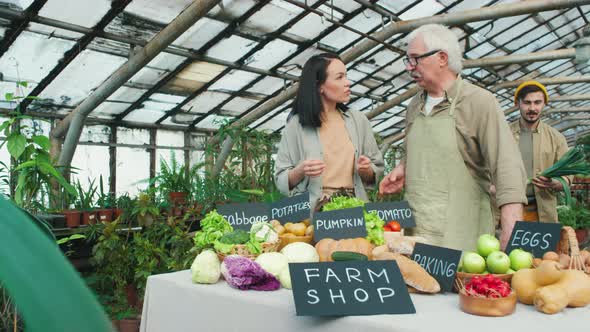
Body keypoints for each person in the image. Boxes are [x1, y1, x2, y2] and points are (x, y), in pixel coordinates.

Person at [379, 24, 527, 251]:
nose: (410, 68)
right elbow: (418, 149)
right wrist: (403, 167)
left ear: (442, 58)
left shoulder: (479, 102)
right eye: (407, 60)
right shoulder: (414, 105)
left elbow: (506, 167)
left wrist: (510, 231)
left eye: (415, 59)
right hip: (415, 232)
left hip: (460, 235)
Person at [275, 53, 384, 211]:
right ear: (319, 86)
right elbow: (281, 180)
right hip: (313, 213)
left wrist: (366, 170)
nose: (347, 83)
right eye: (339, 77)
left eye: (346, 76)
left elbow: (376, 171)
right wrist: (300, 170)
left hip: (355, 208)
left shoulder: (359, 120)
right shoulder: (296, 125)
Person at [510, 81, 571, 222]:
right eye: (527, 102)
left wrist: (557, 182)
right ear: (517, 103)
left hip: (543, 212)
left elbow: (568, 174)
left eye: (537, 102)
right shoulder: (503, 134)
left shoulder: (556, 138)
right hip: (508, 209)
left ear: (544, 104)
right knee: (505, 244)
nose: (532, 108)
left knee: (539, 245)